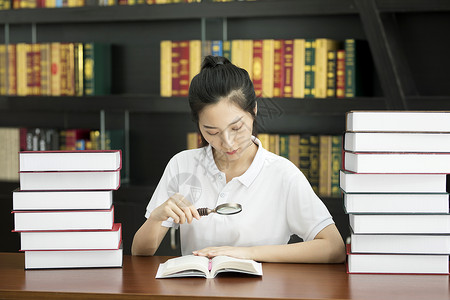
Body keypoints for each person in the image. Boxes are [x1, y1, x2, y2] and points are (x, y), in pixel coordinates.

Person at [132, 55, 346, 263]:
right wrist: (156, 218)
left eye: (236, 128)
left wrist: (248, 253)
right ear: (198, 124)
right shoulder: (183, 165)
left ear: (254, 110)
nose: (228, 143)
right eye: (212, 132)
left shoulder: (282, 174)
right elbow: (140, 252)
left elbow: (333, 247)